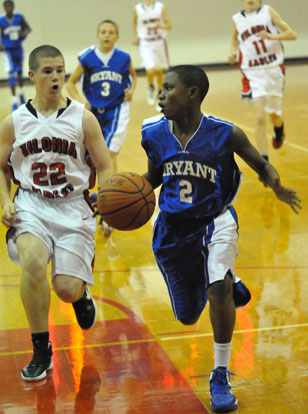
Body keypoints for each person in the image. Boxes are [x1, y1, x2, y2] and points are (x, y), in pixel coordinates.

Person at [141, 65, 301, 413]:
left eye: (169, 88)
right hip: (173, 229)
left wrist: (276, 185)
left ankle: (220, 373)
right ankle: (232, 283)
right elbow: (154, 175)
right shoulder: (153, 133)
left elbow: (260, 165)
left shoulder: (226, 134)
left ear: (193, 93)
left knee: (217, 288)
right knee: (186, 316)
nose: (161, 94)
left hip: (216, 220)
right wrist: (119, 196)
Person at [0, 44, 114, 382]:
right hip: (32, 203)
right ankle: (40, 349)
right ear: (32, 76)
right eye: (48, 71)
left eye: (60, 70)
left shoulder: (83, 117)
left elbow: (106, 166)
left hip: (73, 205)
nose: (55, 77)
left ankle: (80, 293)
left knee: (65, 288)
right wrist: (5, 200)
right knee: (33, 262)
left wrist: (106, 204)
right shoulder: (14, 122)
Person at [228, 0, 296, 163]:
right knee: (259, 117)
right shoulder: (237, 18)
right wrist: (232, 52)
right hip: (252, 73)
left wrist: (271, 36)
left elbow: (291, 34)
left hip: (273, 70)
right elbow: (235, 39)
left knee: (274, 115)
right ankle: (263, 161)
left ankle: (279, 128)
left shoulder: (268, 12)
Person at [66, 19, 137, 173]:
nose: (107, 36)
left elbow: (133, 77)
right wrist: (80, 100)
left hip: (116, 108)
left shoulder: (124, 57)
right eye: (103, 32)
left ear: (117, 37)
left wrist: (131, 91)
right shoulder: (87, 57)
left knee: (110, 152)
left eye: (111, 33)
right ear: (97, 35)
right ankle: (108, 189)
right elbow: (70, 83)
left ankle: (109, 192)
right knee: (94, 155)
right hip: (93, 111)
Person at [132, 0, 171, 110]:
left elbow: (169, 25)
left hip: (159, 42)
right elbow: (134, 23)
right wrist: (135, 36)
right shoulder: (138, 8)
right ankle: (150, 87)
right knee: (150, 69)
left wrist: (162, 26)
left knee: (159, 71)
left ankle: (160, 94)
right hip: (145, 42)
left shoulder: (160, 7)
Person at [0, 0, 31, 111]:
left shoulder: (19, 17)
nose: (9, 8)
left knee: (20, 73)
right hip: (7, 50)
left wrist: (23, 32)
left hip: (19, 48)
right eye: (6, 6)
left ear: (13, 6)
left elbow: (28, 28)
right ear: (4, 7)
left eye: (10, 6)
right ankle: (14, 101)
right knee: (11, 74)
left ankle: (21, 95)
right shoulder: (1, 19)